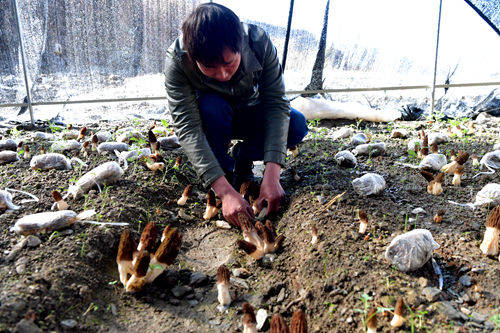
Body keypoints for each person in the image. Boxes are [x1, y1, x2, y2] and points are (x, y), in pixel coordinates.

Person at [164, 3, 308, 227]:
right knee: (211, 107)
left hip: (249, 110)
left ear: (240, 45)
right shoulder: (178, 59)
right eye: (210, 68)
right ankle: (224, 175)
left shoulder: (258, 43)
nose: (222, 74)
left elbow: (276, 105)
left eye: (229, 63)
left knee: (296, 124)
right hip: (212, 119)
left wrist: (272, 175)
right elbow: (188, 127)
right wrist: (225, 192)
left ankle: (244, 156)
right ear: (194, 58)